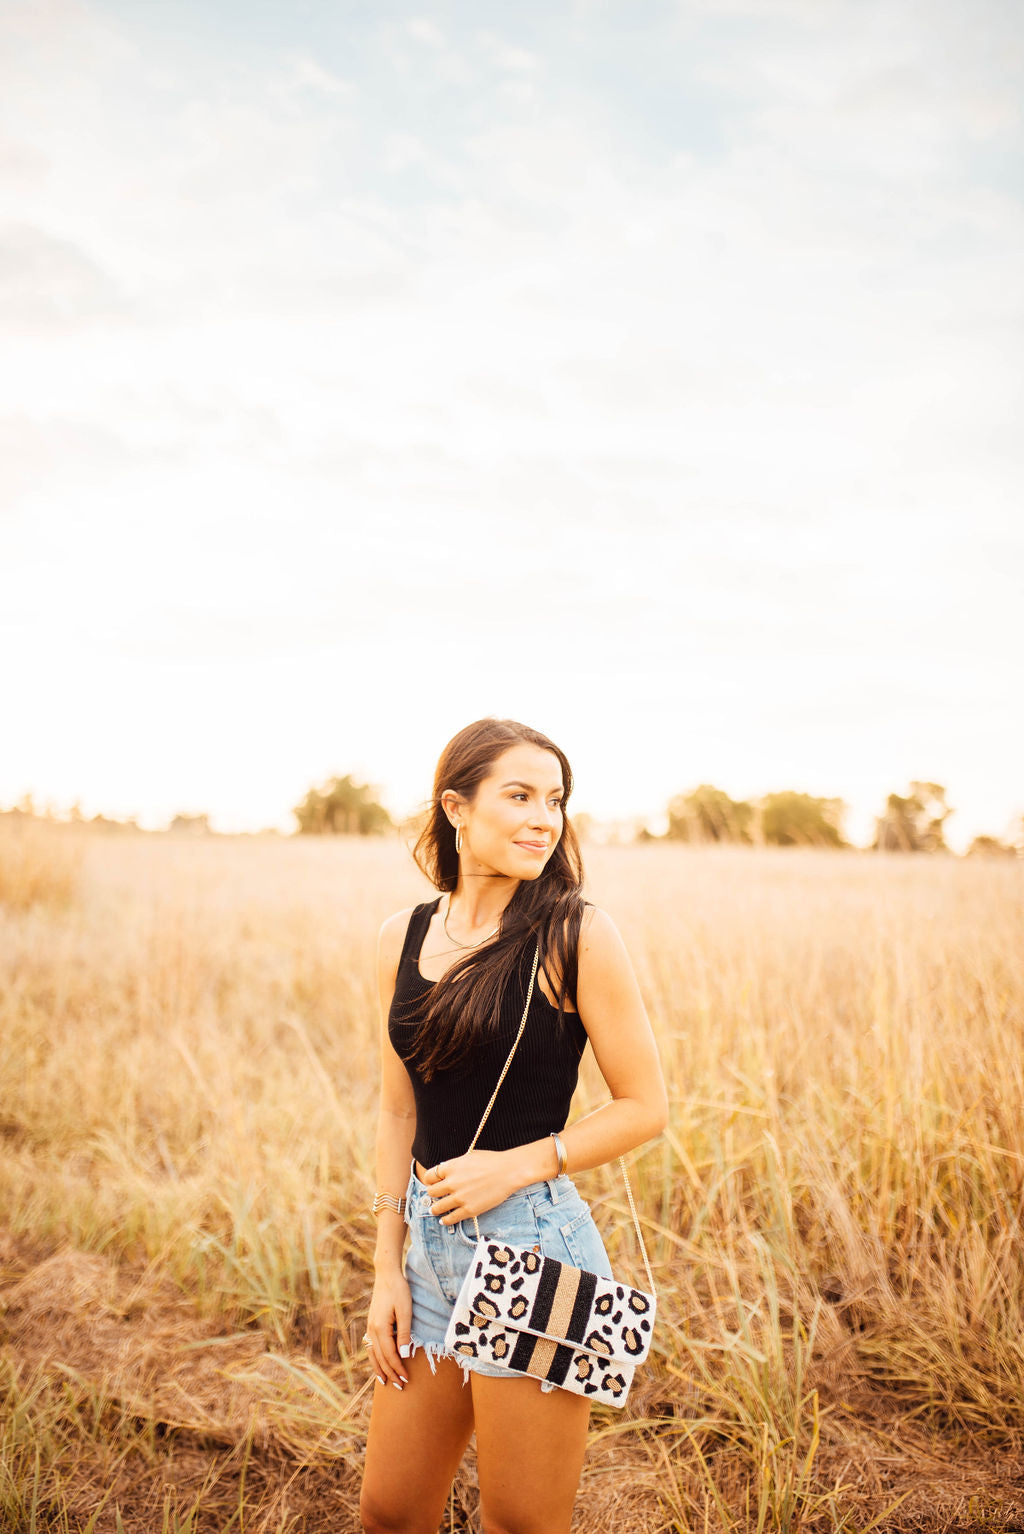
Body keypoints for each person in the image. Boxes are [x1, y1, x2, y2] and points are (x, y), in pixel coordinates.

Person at [359, 717, 668, 1534]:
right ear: (456, 809)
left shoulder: (576, 935)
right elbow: (399, 1108)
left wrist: (520, 1164)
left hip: (534, 1249)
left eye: (556, 800)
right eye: (520, 796)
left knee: (520, 1524)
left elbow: (646, 1106)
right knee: (389, 1513)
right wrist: (387, 1265)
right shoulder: (405, 935)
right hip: (427, 1250)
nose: (544, 818)